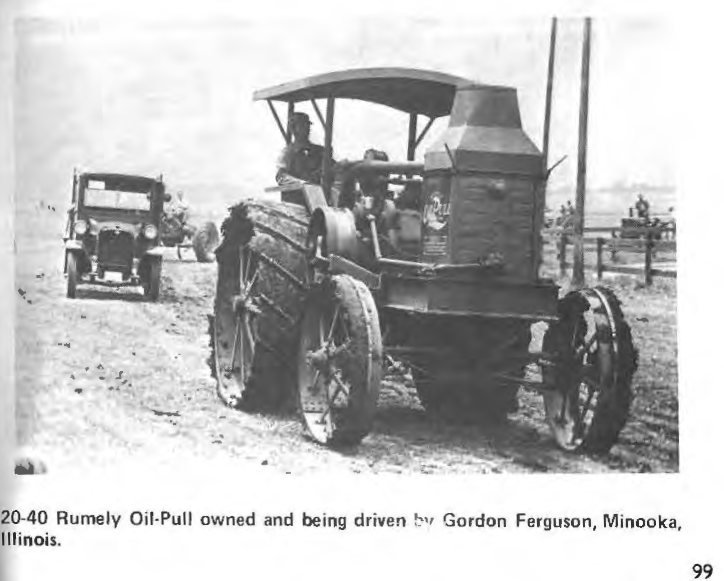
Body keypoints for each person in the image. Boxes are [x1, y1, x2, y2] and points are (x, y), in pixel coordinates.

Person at [276, 112, 326, 186]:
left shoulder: (320, 151)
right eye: (302, 125)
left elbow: (334, 169)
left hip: (319, 195)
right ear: (293, 129)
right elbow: (281, 178)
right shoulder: (287, 153)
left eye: (307, 125)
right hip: (297, 195)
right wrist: (304, 184)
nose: (307, 129)